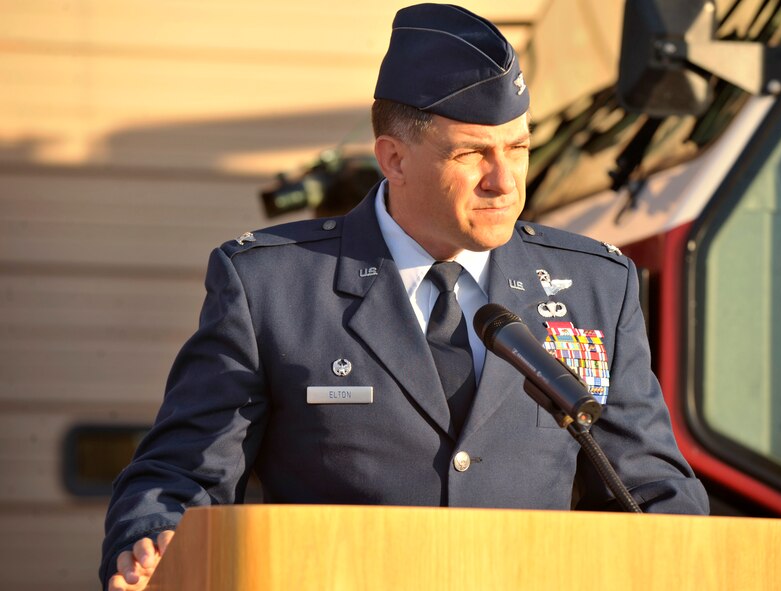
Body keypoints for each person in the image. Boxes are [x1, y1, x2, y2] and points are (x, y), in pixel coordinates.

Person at [101, 3, 709, 589]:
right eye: (473, 153)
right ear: (393, 158)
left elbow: (650, 488)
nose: (504, 181)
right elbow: (186, 471)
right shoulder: (272, 286)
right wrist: (154, 537)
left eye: (519, 148)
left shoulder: (596, 285)